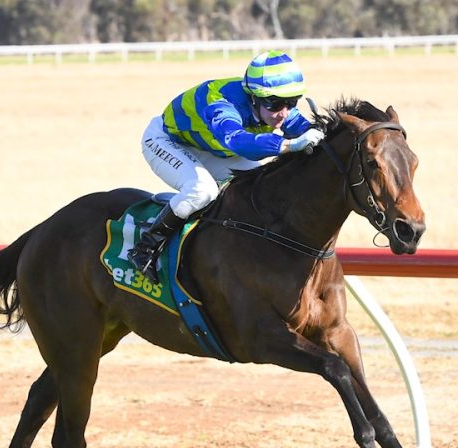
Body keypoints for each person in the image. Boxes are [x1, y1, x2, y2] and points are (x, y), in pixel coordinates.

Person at [128, 50, 326, 283]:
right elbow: (238, 142)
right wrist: (289, 145)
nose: (283, 113)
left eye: (291, 102)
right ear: (254, 97)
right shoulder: (221, 103)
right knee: (202, 191)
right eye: (275, 104)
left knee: (261, 186)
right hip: (166, 141)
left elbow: (304, 129)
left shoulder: (277, 109)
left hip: (211, 148)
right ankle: (146, 248)